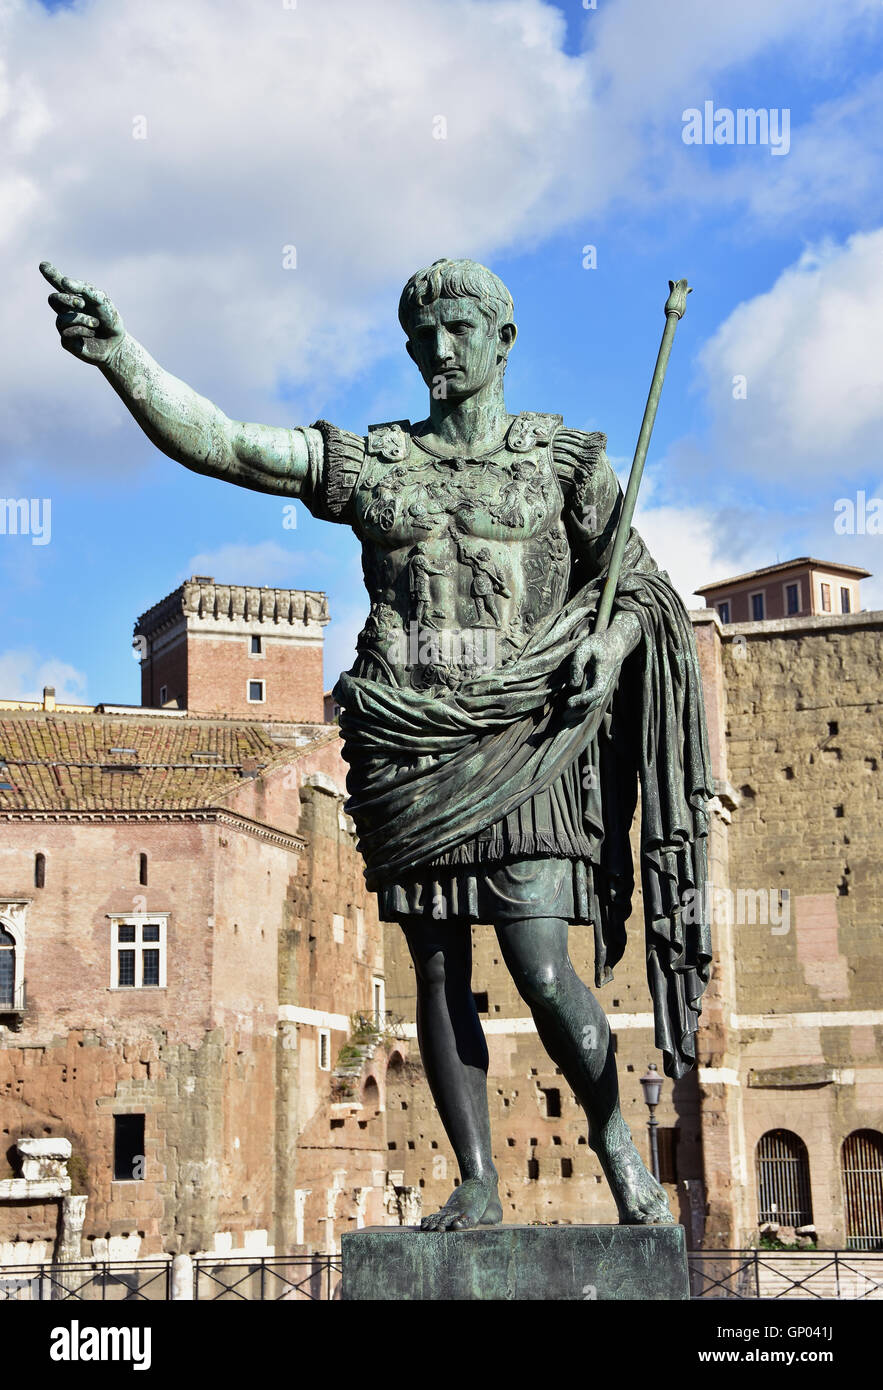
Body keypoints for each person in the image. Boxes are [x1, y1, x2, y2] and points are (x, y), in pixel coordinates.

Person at [41, 256, 712, 1232]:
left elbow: (638, 584)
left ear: (502, 341)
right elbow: (227, 445)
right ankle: (476, 1180)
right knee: (435, 969)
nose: (437, 349)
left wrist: (606, 648)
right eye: (420, 334)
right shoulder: (377, 461)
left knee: (538, 963)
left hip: (522, 736)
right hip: (408, 744)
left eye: (457, 331)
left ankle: (616, 1146)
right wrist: (122, 360)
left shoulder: (559, 459)